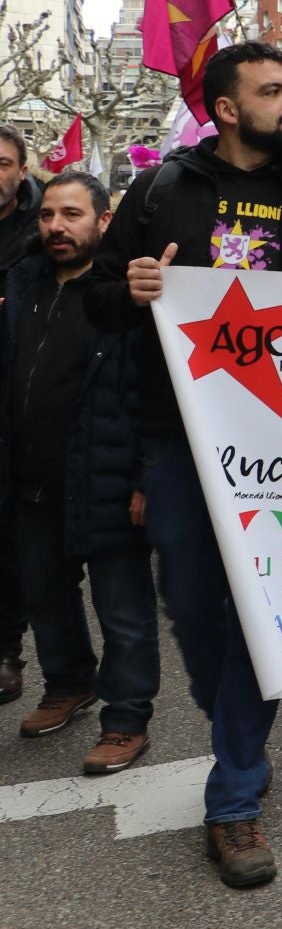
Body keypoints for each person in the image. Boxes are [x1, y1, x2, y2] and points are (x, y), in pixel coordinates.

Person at [82, 40, 282, 888]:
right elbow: (98, 297)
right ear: (228, 109)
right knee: (195, 603)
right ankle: (237, 720)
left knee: (266, 616)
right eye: (274, 90)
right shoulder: (163, 190)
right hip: (182, 439)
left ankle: (235, 795)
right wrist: (127, 286)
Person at [1, 172, 159, 773]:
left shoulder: (127, 294)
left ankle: (126, 721)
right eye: (46, 216)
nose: (56, 227)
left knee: (123, 611)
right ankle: (68, 685)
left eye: (71, 214)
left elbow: (154, 393)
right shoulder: (22, 281)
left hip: (108, 477)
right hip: (33, 477)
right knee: (45, 597)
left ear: (103, 221)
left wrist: (146, 477)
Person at [0, 123, 41, 705]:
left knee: (10, 534)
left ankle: (7, 650)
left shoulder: (41, 235)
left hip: (18, 401)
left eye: (3, 163)